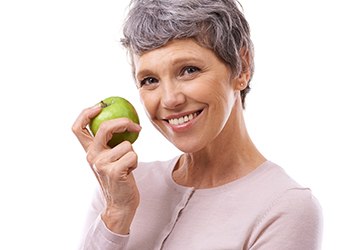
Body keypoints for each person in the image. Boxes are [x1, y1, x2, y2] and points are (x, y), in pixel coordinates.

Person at [72, 0, 323, 249]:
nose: (170, 99)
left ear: (242, 67)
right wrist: (117, 213)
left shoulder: (284, 207)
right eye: (150, 80)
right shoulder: (121, 186)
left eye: (189, 70)